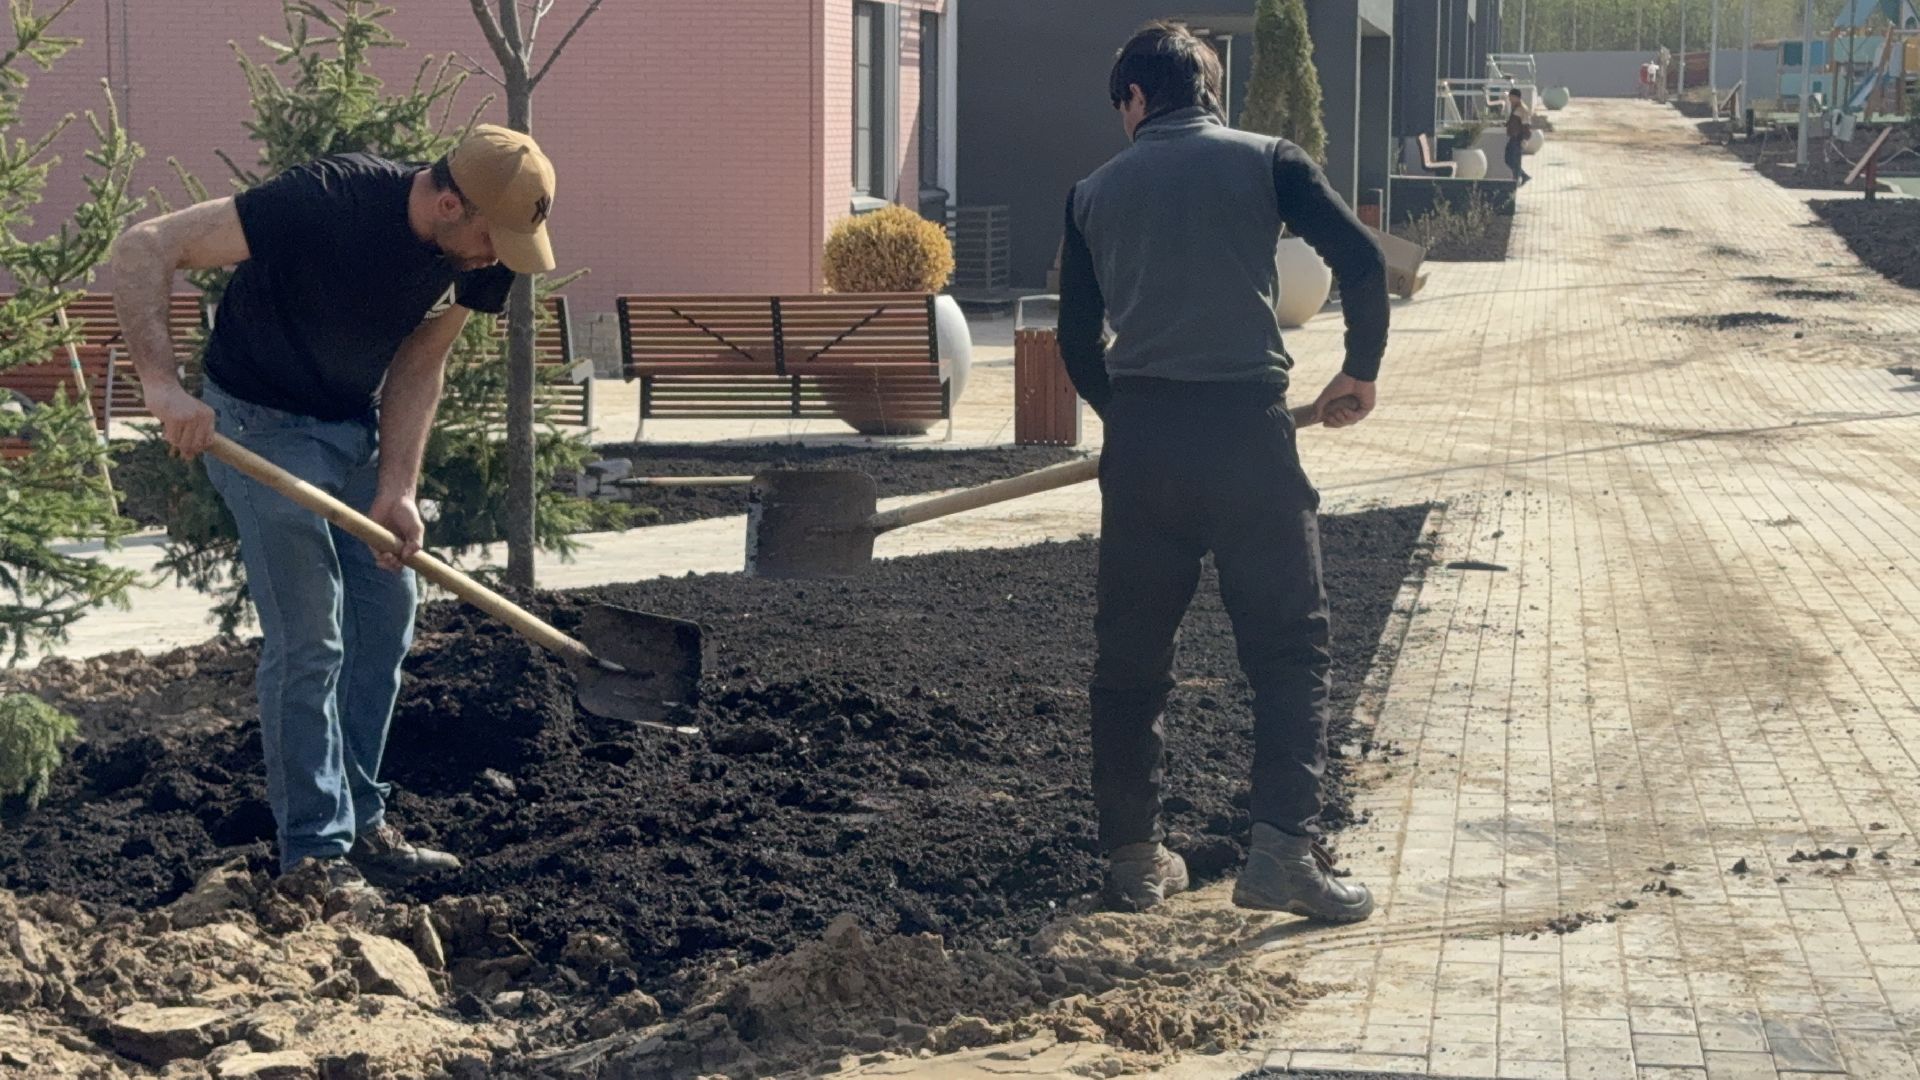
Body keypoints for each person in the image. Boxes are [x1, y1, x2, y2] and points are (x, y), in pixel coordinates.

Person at [110, 125, 557, 889]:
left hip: (349, 425)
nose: (499, 257)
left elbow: (422, 359)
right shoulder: (328, 200)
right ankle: (315, 855)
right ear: (448, 202)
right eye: (492, 236)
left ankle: (361, 821)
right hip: (253, 424)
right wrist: (161, 385)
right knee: (311, 634)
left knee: (387, 609)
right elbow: (144, 246)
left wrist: (399, 488)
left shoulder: (486, 255)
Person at [1058, 22, 1387, 922]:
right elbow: (1360, 260)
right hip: (1250, 435)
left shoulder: (1092, 192)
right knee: (1288, 651)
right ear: (1208, 93)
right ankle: (1281, 855)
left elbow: (1077, 341)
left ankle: (1133, 862)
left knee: (1130, 664)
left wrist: (1124, 418)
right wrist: (1360, 368)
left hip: (1146, 449)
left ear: (1134, 99)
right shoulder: (1270, 161)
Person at [1505, 88, 1534, 185]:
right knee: (1509, 159)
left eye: (1511, 97)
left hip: (1518, 138)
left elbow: (1526, 126)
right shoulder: (1515, 107)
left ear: (1516, 97)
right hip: (1513, 137)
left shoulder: (1522, 109)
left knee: (1514, 160)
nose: (1509, 99)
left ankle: (1517, 180)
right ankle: (1523, 176)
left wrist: (1525, 139)